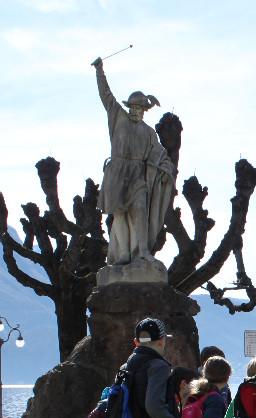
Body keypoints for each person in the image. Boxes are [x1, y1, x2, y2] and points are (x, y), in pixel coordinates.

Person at [91, 58, 176, 267]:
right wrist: (100, 71)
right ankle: (122, 254)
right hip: (117, 173)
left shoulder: (148, 133)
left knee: (139, 210)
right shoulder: (118, 117)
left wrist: (166, 169)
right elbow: (106, 95)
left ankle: (143, 252)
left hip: (137, 175)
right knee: (120, 215)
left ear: (144, 110)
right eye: (133, 107)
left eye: (139, 108)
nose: (135, 111)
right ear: (129, 107)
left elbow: (160, 155)